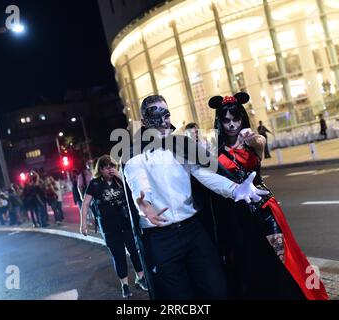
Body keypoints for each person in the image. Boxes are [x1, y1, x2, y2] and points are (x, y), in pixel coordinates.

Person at [122, 95, 269, 300]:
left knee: (216, 289)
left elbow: (204, 174)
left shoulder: (182, 145)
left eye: (166, 114)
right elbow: (138, 183)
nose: (163, 120)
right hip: (160, 237)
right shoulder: (133, 153)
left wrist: (235, 189)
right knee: (178, 298)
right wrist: (143, 205)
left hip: (192, 230)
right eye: (155, 115)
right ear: (145, 120)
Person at [208, 92, 328, 300]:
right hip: (235, 214)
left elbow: (260, 144)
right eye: (226, 120)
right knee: (248, 261)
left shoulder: (252, 140)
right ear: (220, 121)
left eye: (236, 119)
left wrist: (254, 138)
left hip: (263, 207)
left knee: (282, 256)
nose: (232, 125)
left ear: (243, 118)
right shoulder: (214, 150)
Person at [80, 155, 148, 298]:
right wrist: (83, 224)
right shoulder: (95, 184)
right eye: (106, 167)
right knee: (119, 256)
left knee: (134, 251)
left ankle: (140, 278)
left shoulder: (120, 179)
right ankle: (124, 285)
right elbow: (85, 203)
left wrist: (120, 176)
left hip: (125, 223)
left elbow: (134, 189)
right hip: (109, 227)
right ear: (100, 169)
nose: (109, 169)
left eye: (112, 166)